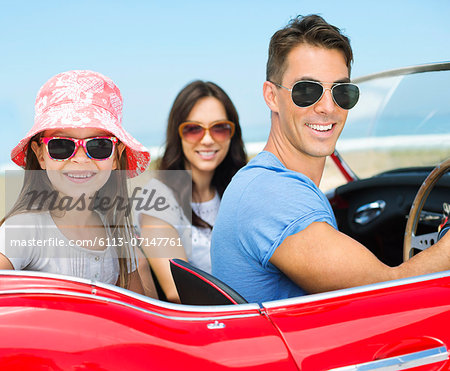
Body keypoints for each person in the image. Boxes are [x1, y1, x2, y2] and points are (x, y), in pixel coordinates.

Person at [211, 15, 450, 304]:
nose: (327, 107)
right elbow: (389, 293)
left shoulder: (261, 181)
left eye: (342, 92)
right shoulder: (273, 196)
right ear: (271, 96)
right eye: (306, 91)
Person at [0, 70, 153, 295]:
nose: (80, 159)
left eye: (99, 146)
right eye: (61, 146)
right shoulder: (23, 230)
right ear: (40, 155)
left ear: (115, 157)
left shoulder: (117, 233)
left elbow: (142, 316)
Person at [134, 80, 246, 302]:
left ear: (232, 134)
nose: (207, 139)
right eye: (193, 129)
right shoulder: (156, 199)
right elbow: (177, 292)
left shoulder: (236, 190)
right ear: (178, 135)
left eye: (219, 128)